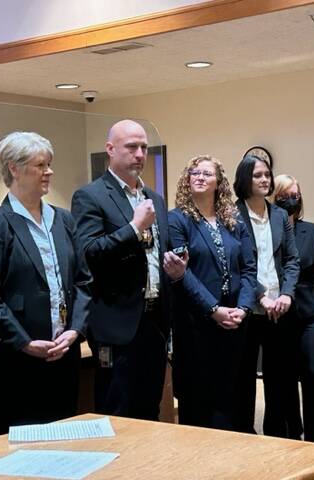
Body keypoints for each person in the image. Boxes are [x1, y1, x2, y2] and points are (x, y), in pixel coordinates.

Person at [0, 131, 92, 432]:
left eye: (49, 164)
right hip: (18, 361)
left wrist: (75, 330)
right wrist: (24, 342)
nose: (49, 172)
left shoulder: (63, 219)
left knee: (66, 441)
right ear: (14, 168)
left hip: (64, 354)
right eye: (41, 165)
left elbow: (83, 280)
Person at [71, 119, 185, 420]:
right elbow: (89, 254)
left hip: (154, 320)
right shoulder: (91, 196)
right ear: (110, 149)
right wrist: (134, 227)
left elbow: (156, 251)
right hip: (116, 323)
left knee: (149, 408)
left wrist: (174, 267)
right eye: (131, 147)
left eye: (144, 147)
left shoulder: (154, 199)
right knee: (118, 412)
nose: (139, 154)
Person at [169, 154, 257, 430]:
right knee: (198, 398)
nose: (199, 177)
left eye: (207, 173)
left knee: (230, 396)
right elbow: (183, 274)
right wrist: (213, 310)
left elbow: (249, 270)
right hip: (197, 321)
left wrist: (242, 309)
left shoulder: (233, 220)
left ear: (219, 182)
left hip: (233, 320)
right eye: (194, 172)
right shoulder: (177, 220)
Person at [233, 156, 300, 436]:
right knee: (244, 377)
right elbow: (237, 264)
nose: (264, 180)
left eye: (267, 175)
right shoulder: (232, 214)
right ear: (245, 179)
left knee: (279, 377)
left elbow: (292, 260)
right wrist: (261, 297)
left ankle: (276, 433)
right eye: (257, 175)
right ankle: (244, 433)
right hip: (249, 307)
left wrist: (286, 294)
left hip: (280, 308)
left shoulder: (280, 215)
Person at [271, 173, 314, 443]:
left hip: (310, 314)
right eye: (284, 196)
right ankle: (290, 433)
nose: (290, 200)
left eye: (295, 195)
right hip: (276, 316)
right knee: (283, 379)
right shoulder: (267, 231)